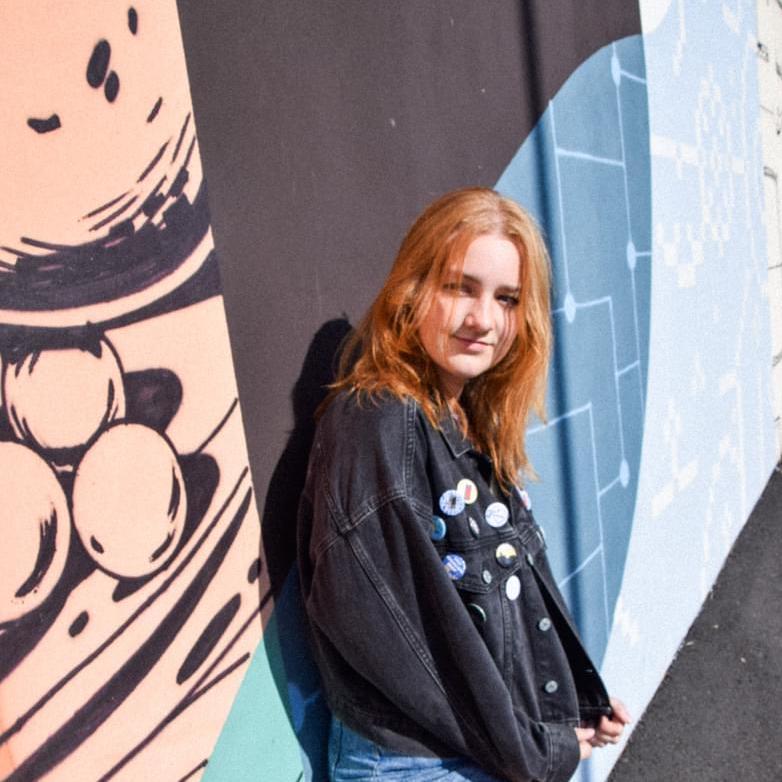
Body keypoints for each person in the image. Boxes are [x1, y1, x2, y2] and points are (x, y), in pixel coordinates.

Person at [297, 187, 630, 781]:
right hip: (412, 763)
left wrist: (570, 710)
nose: (483, 320)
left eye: (506, 298)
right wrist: (538, 749)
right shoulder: (381, 422)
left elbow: (500, 600)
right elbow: (421, 647)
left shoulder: (461, 414)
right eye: (459, 287)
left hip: (471, 750)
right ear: (412, 288)